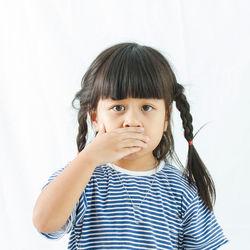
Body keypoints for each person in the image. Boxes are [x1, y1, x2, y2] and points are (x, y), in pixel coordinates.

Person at [33, 42, 229, 249]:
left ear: (166, 117)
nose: (132, 121)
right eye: (118, 107)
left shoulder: (181, 190)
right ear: (95, 117)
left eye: (147, 107)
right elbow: (44, 223)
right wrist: (88, 158)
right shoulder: (81, 177)